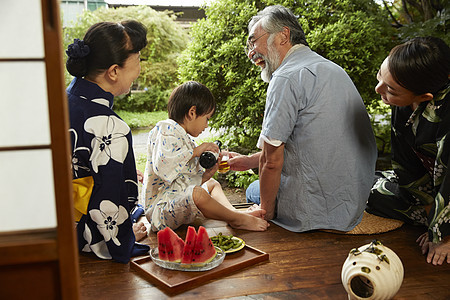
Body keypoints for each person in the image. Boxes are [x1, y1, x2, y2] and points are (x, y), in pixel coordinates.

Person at [228, 5, 378, 232]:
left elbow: (272, 162)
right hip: (355, 199)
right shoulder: (332, 69)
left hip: (318, 211)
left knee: (253, 191)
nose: (251, 53)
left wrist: (264, 213)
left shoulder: (285, 77)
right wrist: (249, 160)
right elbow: (313, 144)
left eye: (253, 42)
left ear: (283, 35)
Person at [66, 20, 150, 263]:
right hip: (84, 236)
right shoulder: (110, 126)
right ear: (114, 71)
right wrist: (124, 239)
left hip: (52, 223)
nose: (140, 70)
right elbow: (109, 200)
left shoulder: (63, 98)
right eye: (138, 61)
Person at [140, 81, 269, 232]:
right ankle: (237, 219)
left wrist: (205, 176)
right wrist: (196, 151)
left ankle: (232, 214)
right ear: (192, 112)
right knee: (198, 193)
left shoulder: (183, 137)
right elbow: (164, 167)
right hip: (160, 210)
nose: (207, 125)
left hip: (174, 200)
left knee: (213, 184)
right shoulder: (165, 129)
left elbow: (182, 180)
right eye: (207, 118)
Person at [367, 37, 450, 265]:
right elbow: (405, 163)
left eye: (390, 90)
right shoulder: (403, 101)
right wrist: (430, 212)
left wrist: (442, 235)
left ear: (425, 97)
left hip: (447, 187)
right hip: (433, 186)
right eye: (380, 77)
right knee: (362, 186)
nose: (378, 90)